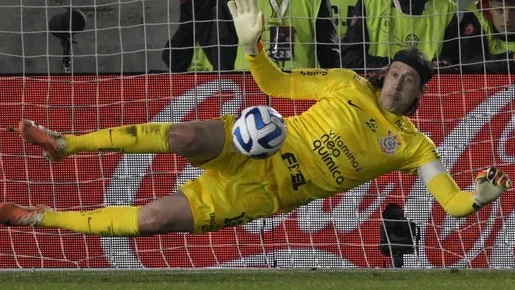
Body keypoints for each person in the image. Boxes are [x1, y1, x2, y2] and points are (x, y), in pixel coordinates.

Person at [0, 0, 511, 237]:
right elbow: (274, 85)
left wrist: (476, 200)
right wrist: (251, 47)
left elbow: (450, 200)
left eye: (408, 81)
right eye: (394, 73)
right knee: (181, 134)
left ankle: (36, 216)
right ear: (384, 74)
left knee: (153, 220)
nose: (396, 84)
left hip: (261, 193)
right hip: (254, 142)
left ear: (420, 93)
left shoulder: (416, 146)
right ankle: (67, 143)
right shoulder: (346, 83)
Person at [338, 0, 459, 71]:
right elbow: (350, 58)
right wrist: (400, 67)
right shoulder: (370, 3)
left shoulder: (449, 9)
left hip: (428, 98)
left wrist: (444, 64)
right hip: (374, 92)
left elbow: (455, 62)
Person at [232, 0, 339, 70]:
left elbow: (328, 48)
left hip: (299, 84)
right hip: (249, 81)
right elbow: (224, 41)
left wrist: (335, 84)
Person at [161, 0, 238, 72]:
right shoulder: (194, 16)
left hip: (238, 79)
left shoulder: (221, 13)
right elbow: (173, 61)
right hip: (206, 81)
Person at [459, 0, 515, 73]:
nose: (507, 19)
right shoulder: (476, 14)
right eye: (500, 10)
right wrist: (511, 58)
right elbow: (469, 61)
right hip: (488, 81)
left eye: (514, 10)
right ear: (490, 6)